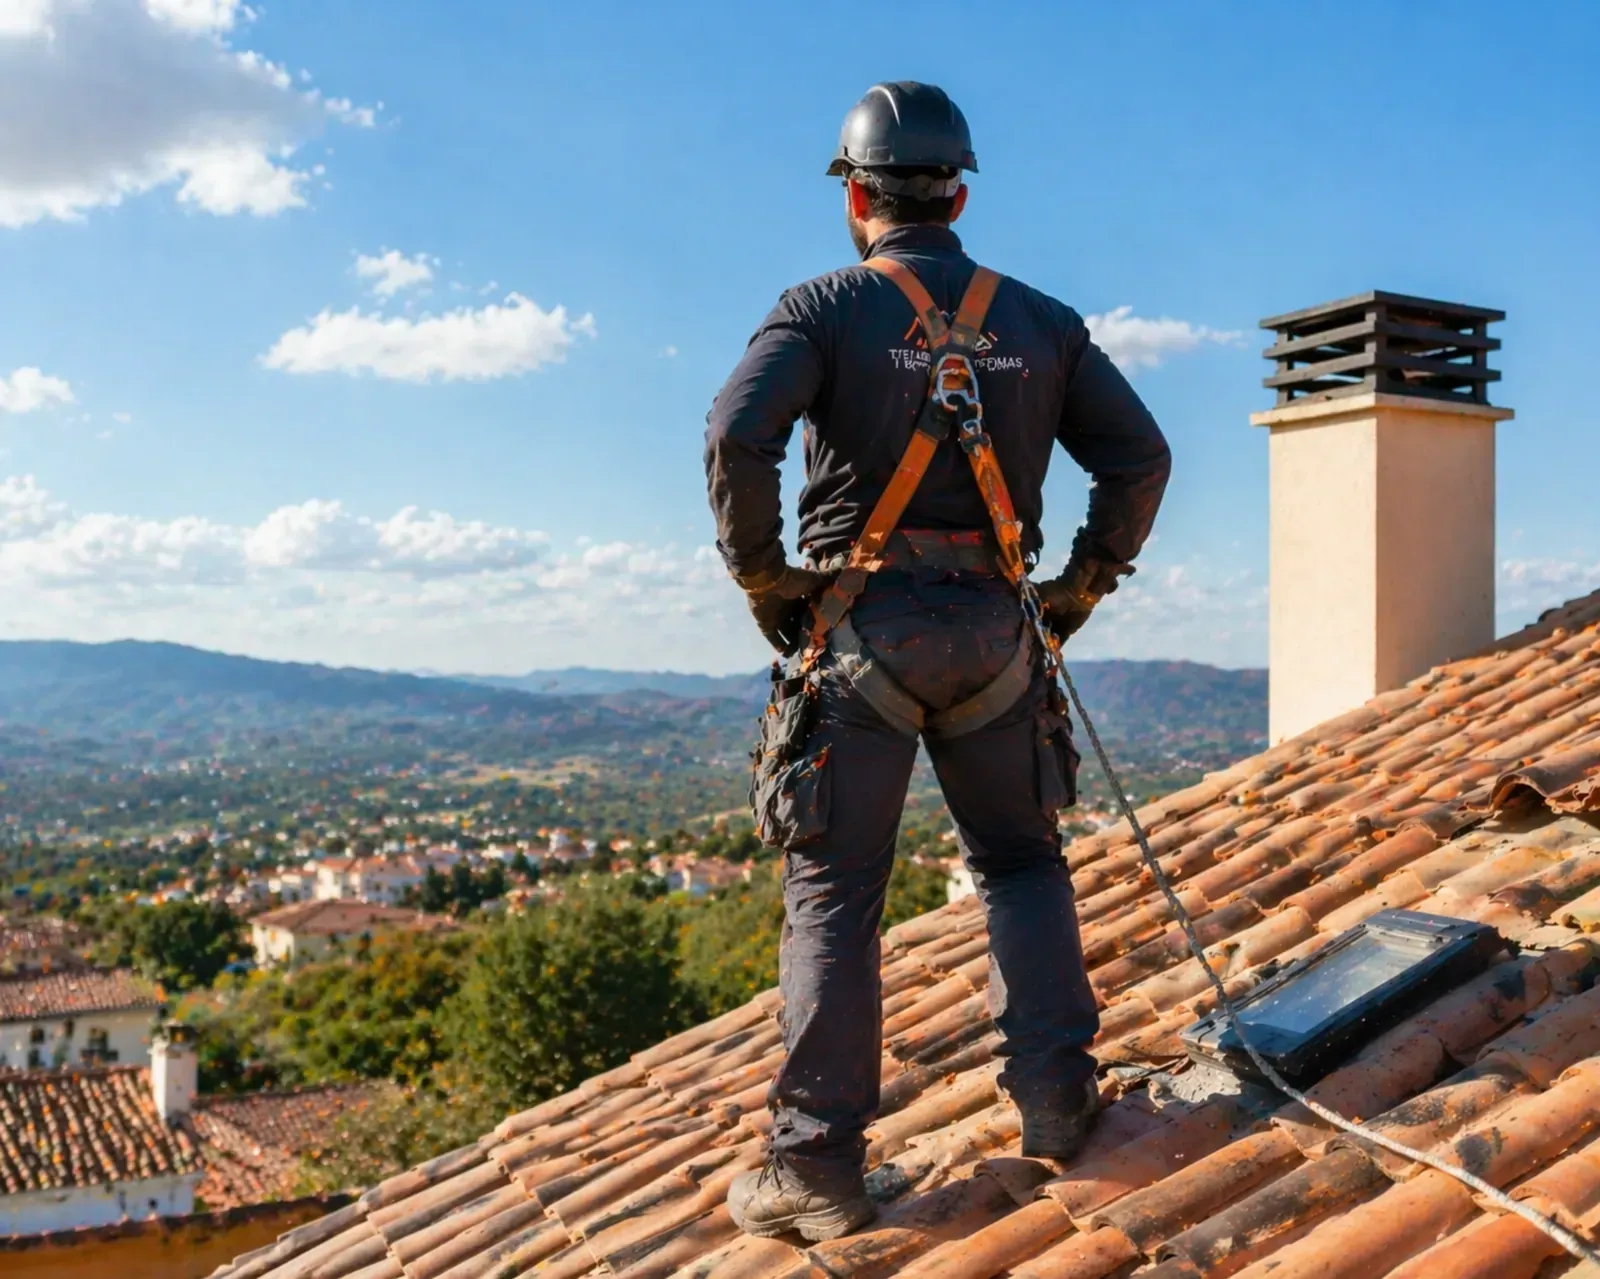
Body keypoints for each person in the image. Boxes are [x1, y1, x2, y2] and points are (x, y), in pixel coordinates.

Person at [704, 81, 1172, 1243]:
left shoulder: (820, 307)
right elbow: (1141, 457)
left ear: (854, 197)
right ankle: (1060, 1105)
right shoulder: (1044, 324)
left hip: (858, 635)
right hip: (1000, 637)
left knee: (835, 895)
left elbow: (734, 436)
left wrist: (768, 580)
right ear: (957, 193)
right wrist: (1077, 588)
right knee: (1020, 866)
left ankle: (813, 1162)